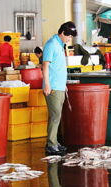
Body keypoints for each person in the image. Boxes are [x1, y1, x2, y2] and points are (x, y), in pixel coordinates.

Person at [43, 21, 77, 156]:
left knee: (57, 116)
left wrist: (63, 85)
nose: (69, 40)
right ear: (62, 33)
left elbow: (58, 67)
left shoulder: (60, 44)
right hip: (52, 87)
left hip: (59, 86)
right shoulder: (51, 44)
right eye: (68, 37)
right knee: (55, 115)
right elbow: (45, 66)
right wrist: (47, 85)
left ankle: (55, 143)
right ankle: (51, 144)